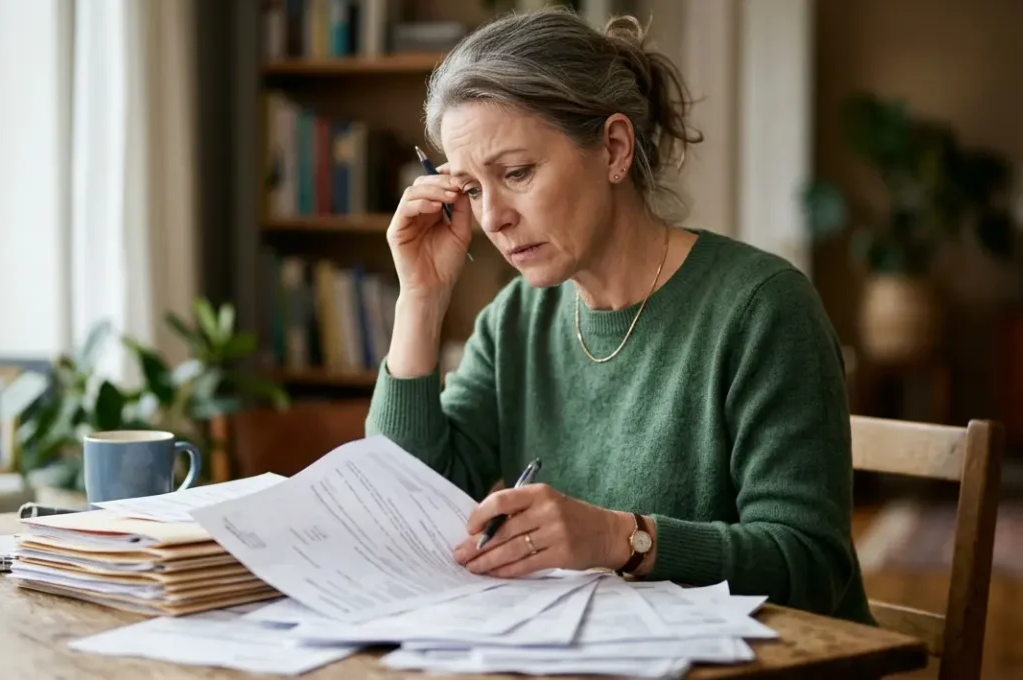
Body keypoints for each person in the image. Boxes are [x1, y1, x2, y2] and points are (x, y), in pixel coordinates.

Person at [364, 7, 875, 625]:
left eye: (517, 173)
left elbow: (812, 567)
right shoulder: (517, 318)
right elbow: (402, 500)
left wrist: (620, 538)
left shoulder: (762, 307)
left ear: (613, 147)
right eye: (471, 188)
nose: (492, 218)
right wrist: (418, 298)